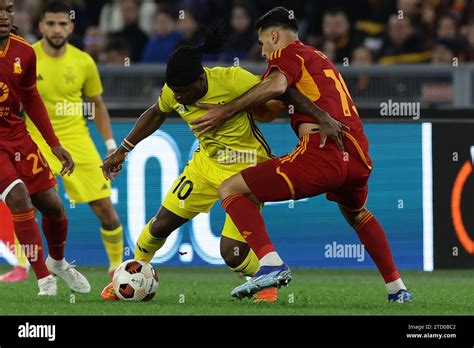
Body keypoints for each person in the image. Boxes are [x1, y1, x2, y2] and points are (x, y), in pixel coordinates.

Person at [99, 25, 341, 303]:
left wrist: (320, 115)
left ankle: (264, 281)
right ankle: (128, 276)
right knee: (159, 226)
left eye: (183, 92)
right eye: (174, 92)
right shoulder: (174, 91)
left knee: (232, 252)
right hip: (206, 164)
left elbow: (283, 93)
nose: (178, 98)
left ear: (201, 80)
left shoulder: (233, 80)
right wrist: (124, 149)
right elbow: (156, 113)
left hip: (246, 167)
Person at [190, 7, 413, 303]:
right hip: (357, 156)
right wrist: (243, 100)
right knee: (357, 214)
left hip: (322, 151)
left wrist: (225, 110)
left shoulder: (287, 54)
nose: (265, 53)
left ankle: (270, 264)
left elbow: (277, 85)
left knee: (230, 187)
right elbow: (273, 105)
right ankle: (397, 289)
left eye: (263, 44)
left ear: (274, 36)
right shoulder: (317, 59)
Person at [1, 1, 124, 281]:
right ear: (41, 26)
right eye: (51, 24)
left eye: (62, 24)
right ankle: (23, 267)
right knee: (27, 202)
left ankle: (115, 267)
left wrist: (109, 145)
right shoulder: (25, 54)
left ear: (71, 27)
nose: (57, 29)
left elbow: (98, 105)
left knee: (105, 207)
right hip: (36, 139)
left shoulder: (84, 61)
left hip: (78, 140)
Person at [0, 0, 89, 295]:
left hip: (18, 138)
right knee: (19, 198)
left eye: (8, 10)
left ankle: (58, 264)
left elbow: (32, 99)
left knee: (53, 207)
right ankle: (43, 280)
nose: (3, 16)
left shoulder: (24, 52)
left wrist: (54, 144)